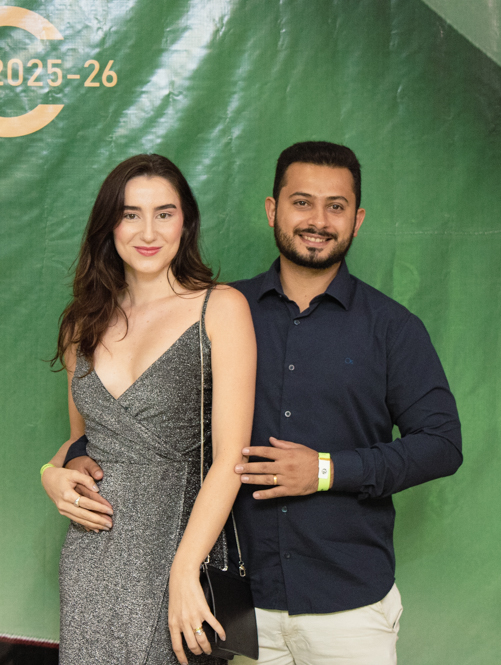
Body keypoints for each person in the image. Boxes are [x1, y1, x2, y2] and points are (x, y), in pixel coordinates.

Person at [61, 142, 463, 665]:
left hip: (346, 600)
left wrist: (325, 470)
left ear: (357, 219)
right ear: (272, 210)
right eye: (302, 202)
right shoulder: (218, 309)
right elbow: (145, 423)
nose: (317, 221)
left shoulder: (392, 328)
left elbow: (442, 445)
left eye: (336, 206)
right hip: (235, 596)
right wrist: (64, 464)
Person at [39, 154, 257, 665]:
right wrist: (50, 473)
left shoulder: (221, 308)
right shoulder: (81, 323)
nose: (148, 231)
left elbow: (231, 459)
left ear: (186, 222)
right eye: (130, 214)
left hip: (182, 546)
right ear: (109, 225)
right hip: (94, 551)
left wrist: (185, 569)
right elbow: (83, 443)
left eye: (164, 213)